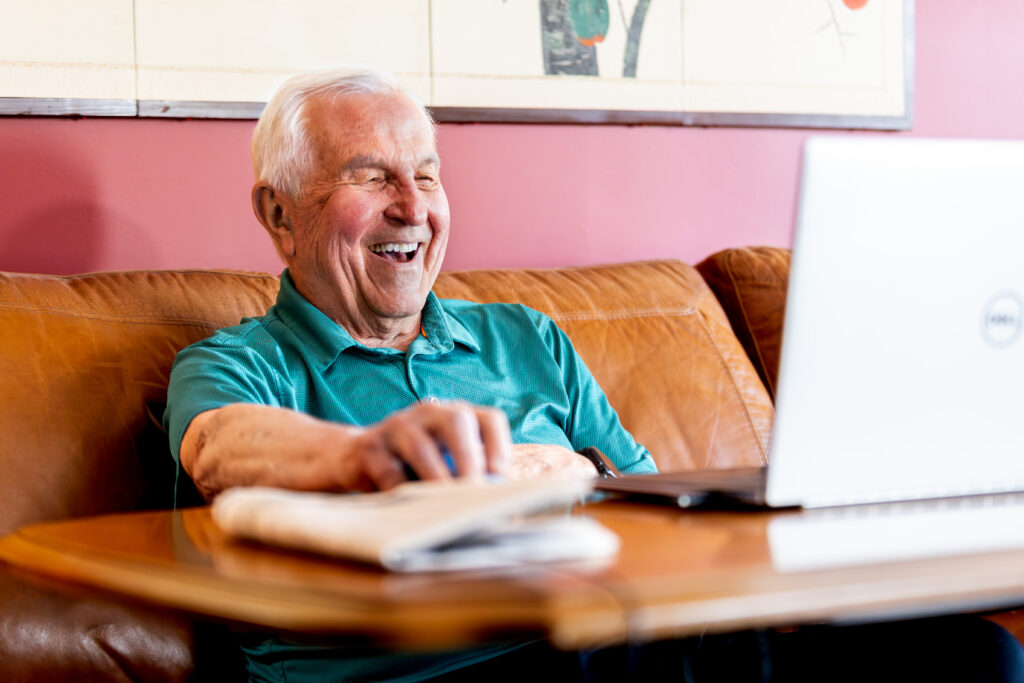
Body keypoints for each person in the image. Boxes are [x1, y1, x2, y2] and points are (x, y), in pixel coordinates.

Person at [164, 69, 1024, 682]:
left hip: (620, 645)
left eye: (426, 173)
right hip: (434, 673)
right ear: (278, 212)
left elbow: (653, 506)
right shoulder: (237, 363)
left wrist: (577, 474)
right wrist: (372, 458)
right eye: (370, 175)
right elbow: (222, 447)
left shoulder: (525, 337)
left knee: (969, 653)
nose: (413, 206)